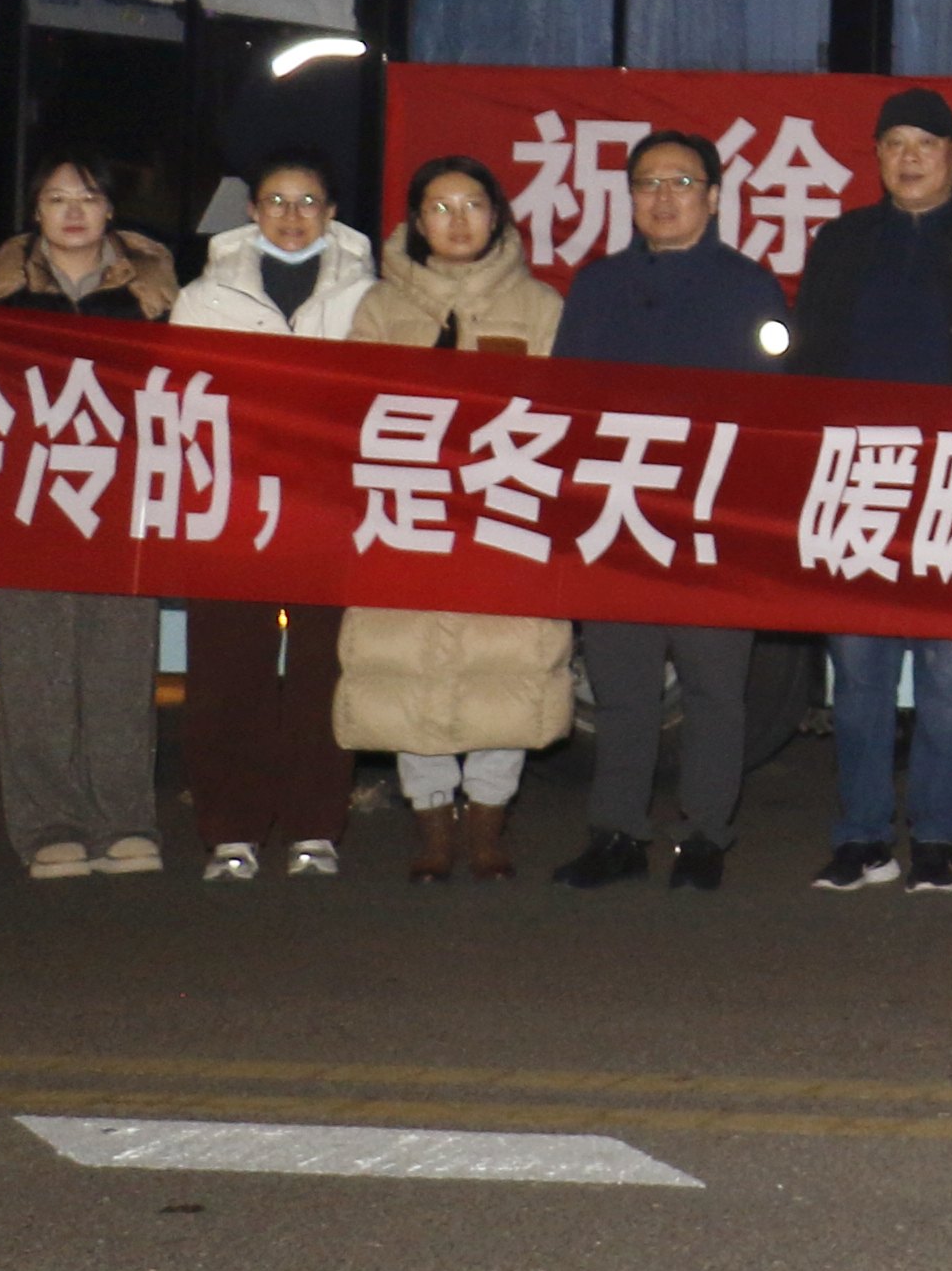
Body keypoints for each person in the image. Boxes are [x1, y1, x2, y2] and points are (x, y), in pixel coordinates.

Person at [547, 129, 786, 891]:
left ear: (713, 197)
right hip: (618, 512)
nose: (663, 197)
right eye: (648, 183)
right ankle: (617, 831)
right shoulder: (597, 285)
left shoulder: (750, 287)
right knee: (623, 688)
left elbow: (776, 415)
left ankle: (705, 835)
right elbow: (564, 400)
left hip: (714, 520)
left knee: (714, 687)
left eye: (681, 182)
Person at [788, 88, 952, 894]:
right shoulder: (843, 241)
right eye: (894, 144)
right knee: (860, 672)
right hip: (857, 478)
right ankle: (863, 836)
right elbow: (807, 361)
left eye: (926, 143)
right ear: (877, 156)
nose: (910, 157)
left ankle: (939, 836)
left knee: (950, 672)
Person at [335, 154, 569, 885]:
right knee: (410, 668)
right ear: (416, 221)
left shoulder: (541, 306)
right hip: (409, 515)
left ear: (497, 215)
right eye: (440, 207)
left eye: (473, 204)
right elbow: (350, 409)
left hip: (505, 514)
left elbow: (567, 414)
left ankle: (488, 825)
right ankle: (432, 825)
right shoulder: (380, 308)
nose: (458, 220)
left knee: (507, 670)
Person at [155, 147, 377, 883]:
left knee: (324, 674)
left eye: (308, 201)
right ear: (251, 210)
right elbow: (181, 401)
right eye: (276, 200)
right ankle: (231, 829)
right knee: (228, 672)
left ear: (332, 212)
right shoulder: (204, 296)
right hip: (234, 505)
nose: (292, 215)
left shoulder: (370, 297)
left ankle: (316, 826)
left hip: (330, 509)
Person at [0, 154, 179, 880]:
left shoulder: (159, 296)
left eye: (87, 196)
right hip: (23, 502)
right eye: (56, 198)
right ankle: (48, 823)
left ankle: (125, 818)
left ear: (110, 208)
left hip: (123, 501)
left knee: (120, 666)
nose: (73, 211)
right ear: (35, 212)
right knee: (35, 668)